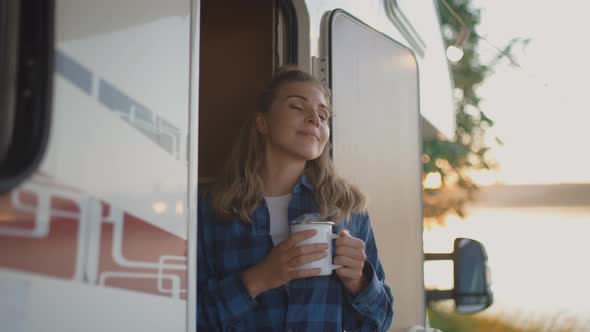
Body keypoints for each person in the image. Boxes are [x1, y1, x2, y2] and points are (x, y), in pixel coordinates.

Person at [197, 66, 394, 331]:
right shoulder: (210, 209)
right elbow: (186, 317)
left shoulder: (347, 209)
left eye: (323, 115)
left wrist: (358, 282)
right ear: (262, 122)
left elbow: (379, 323)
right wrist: (259, 278)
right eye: (297, 107)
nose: (315, 119)